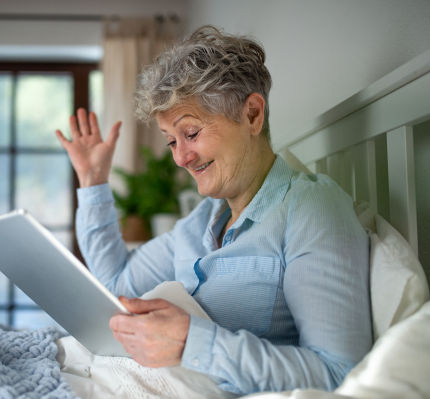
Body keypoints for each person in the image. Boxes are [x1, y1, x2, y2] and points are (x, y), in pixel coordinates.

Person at [54, 26, 372, 396]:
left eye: (191, 133)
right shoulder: (198, 223)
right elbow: (115, 286)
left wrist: (192, 342)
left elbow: (340, 372)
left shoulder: (310, 210)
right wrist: (93, 182)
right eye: (171, 141)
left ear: (252, 115)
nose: (180, 157)